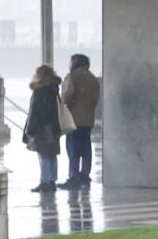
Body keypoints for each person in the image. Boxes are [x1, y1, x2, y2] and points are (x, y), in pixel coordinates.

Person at [22, 64, 64, 193]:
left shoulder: (39, 91)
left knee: (43, 155)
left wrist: (29, 130)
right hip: (54, 126)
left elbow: (35, 112)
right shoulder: (54, 90)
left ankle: (44, 181)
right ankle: (51, 180)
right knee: (52, 154)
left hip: (42, 127)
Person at [60, 54, 100, 188]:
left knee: (73, 149)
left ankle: (73, 177)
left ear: (75, 63)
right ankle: (85, 174)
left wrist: (64, 104)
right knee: (86, 148)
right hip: (88, 119)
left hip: (73, 119)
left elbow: (67, 95)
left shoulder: (72, 77)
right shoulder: (93, 79)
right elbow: (95, 100)